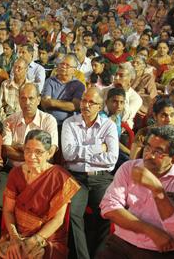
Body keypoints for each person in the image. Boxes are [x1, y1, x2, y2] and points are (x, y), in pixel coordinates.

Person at [99, 125, 174, 259]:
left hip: (163, 252)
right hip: (123, 246)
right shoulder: (129, 168)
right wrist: (150, 230)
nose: (149, 155)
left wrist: (157, 190)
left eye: (158, 152)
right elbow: (109, 207)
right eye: (148, 147)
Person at [0, 129, 80, 259]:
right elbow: (8, 211)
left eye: (38, 152)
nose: (31, 157)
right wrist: (14, 237)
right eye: (28, 151)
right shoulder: (15, 173)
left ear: (49, 153)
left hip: (46, 236)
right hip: (17, 233)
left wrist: (33, 241)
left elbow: (57, 219)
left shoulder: (59, 177)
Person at [61, 87, 119, 259]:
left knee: (108, 214)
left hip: (101, 178)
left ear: (100, 107)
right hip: (76, 177)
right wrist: (98, 148)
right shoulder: (69, 123)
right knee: (72, 214)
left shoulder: (108, 125)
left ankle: (98, 255)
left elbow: (111, 159)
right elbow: (68, 154)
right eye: (84, 100)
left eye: (91, 102)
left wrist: (81, 155)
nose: (86, 105)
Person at [0, 83, 59, 229]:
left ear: (38, 100)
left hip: (41, 174)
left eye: (31, 98)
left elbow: (50, 152)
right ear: (18, 100)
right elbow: (5, 151)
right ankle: (4, 237)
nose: (27, 103)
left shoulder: (48, 121)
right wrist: (34, 153)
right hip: (12, 170)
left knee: (36, 207)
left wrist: (18, 146)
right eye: (23, 98)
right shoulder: (10, 120)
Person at [42, 54, 85, 127]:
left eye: (67, 65)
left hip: (70, 124)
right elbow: (44, 103)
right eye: (62, 64)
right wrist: (66, 104)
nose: (63, 67)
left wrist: (52, 103)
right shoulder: (50, 81)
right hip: (49, 122)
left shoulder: (79, 85)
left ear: (74, 70)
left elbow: (75, 106)